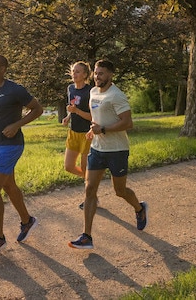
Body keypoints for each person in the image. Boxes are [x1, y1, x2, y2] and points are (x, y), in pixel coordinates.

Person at [68, 59, 147, 250]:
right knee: (89, 189)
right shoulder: (93, 92)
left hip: (117, 150)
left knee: (120, 191)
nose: (97, 77)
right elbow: (96, 116)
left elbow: (128, 123)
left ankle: (139, 208)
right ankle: (86, 236)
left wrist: (102, 129)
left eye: (101, 73)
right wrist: (93, 129)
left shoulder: (116, 95)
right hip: (97, 148)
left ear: (110, 75)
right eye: (95, 73)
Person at [0, 54, 44, 255]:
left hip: (11, 145)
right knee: (8, 185)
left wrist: (17, 125)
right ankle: (27, 220)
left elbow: (37, 109)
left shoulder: (15, 90)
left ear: (3, 68)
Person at [61, 61, 93, 209]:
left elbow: (93, 117)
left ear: (85, 75)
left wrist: (76, 112)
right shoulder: (70, 88)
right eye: (73, 71)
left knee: (85, 167)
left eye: (78, 71)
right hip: (73, 132)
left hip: (87, 134)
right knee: (68, 166)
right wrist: (68, 116)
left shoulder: (90, 91)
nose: (74, 74)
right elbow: (73, 105)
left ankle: (90, 197)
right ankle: (91, 180)